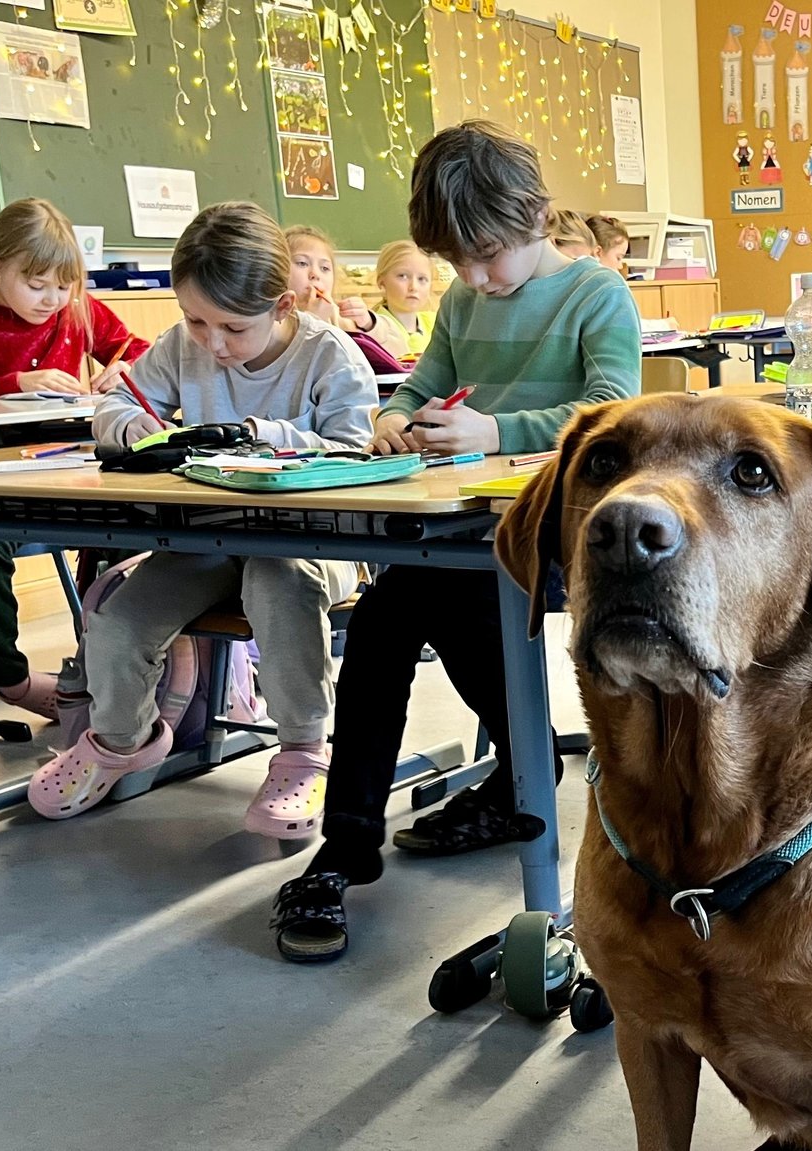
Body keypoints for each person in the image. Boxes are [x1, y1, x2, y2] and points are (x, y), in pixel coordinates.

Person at [269, 120, 641, 963]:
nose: (473, 277)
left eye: (486, 255)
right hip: (463, 526)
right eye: (457, 261)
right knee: (382, 619)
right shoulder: (465, 300)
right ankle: (349, 847)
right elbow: (423, 384)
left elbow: (613, 415)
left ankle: (523, 774)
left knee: (452, 602)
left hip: (552, 528)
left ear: (538, 218)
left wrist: (494, 429)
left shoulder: (595, 293)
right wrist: (397, 419)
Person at [25, 202, 375, 837]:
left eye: (234, 328)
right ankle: (121, 740)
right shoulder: (180, 348)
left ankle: (303, 751)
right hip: (210, 539)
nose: (214, 344)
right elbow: (114, 404)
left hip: (317, 543)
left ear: (283, 308)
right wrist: (127, 423)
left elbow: (354, 452)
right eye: (195, 321)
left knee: (278, 584)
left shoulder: (331, 357)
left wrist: (260, 435)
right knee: (120, 617)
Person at [0, 197, 150, 721]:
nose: (52, 300)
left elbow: (139, 347)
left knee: (138, 514)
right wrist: (13, 384)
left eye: (63, 286)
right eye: (36, 284)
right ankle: (9, 676)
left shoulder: (77, 308)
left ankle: (107, 665)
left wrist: (128, 367)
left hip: (69, 463)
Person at [284, 224, 372, 331]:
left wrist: (367, 324)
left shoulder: (340, 318)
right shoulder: (273, 321)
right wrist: (314, 320)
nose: (315, 274)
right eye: (302, 263)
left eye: (324, 268)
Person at [365, 240, 436, 361]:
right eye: (402, 276)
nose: (413, 287)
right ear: (382, 283)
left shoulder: (436, 323)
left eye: (422, 279)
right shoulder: (373, 327)